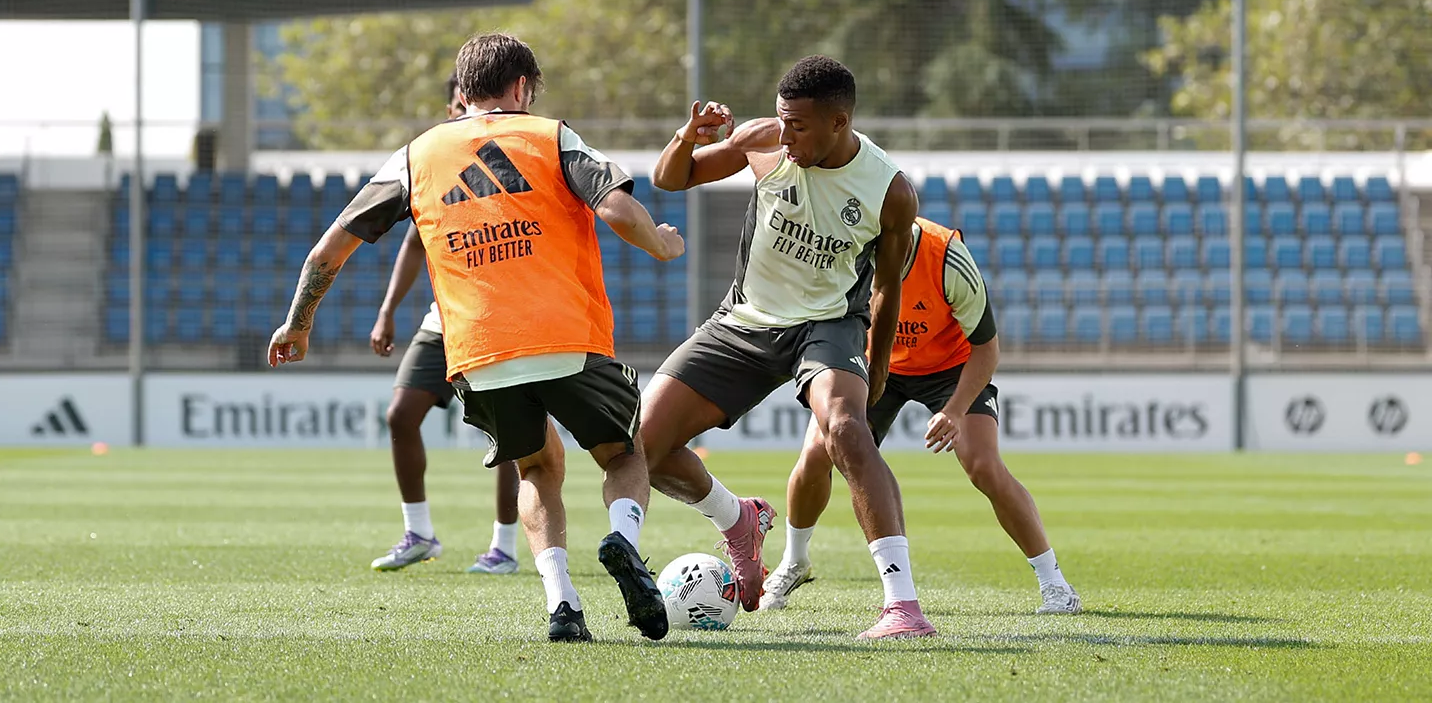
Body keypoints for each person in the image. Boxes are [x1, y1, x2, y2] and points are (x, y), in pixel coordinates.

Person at [269, 33, 680, 643]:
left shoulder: (414, 155)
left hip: (478, 353)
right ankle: (622, 539)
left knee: (538, 468)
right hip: (568, 337)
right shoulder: (550, 134)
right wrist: (663, 243)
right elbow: (617, 208)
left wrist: (298, 323)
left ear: (463, 93)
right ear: (521, 88)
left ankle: (562, 604)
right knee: (623, 454)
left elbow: (331, 246)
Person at [642, 55, 935, 639]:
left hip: (827, 323)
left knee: (846, 429)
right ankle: (738, 519)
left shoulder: (889, 192)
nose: (787, 133)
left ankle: (902, 605)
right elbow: (670, 179)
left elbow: (886, 285)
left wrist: (876, 369)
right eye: (782, 119)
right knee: (640, 446)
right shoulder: (763, 142)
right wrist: (687, 136)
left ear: (839, 121)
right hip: (745, 321)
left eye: (799, 125)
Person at [762, 216, 1082, 615]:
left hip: (951, 368)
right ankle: (795, 561)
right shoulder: (846, 249)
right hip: (876, 361)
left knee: (983, 464)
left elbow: (987, 348)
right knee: (815, 455)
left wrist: (954, 410)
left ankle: (1055, 584)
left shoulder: (948, 259)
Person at [367, 74, 524, 575]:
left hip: (504, 319)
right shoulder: (437, 158)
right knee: (400, 415)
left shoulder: (513, 155)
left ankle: (504, 546)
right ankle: (419, 533)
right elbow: (415, 241)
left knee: (509, 434)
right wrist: (388, 309)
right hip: (445, 321)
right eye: (458, 103)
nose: (463, 111)